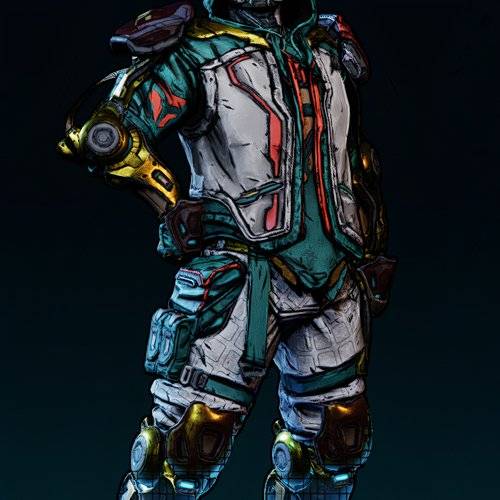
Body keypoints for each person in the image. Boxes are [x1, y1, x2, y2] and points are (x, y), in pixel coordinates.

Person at [58, 1, 396, 498]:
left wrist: (370, 249)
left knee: (338, 440)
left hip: (334, 277)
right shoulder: (197, 52)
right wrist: (171, 203)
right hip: (237, 276)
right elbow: (112, 135)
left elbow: (356, 162)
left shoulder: (326, 48)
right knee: (188, 446)